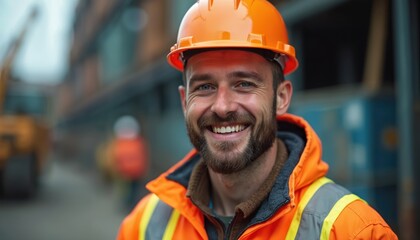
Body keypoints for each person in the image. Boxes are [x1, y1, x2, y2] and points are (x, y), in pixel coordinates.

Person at [117, 0, 398, 239]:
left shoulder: (352, 230)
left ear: (281, 97)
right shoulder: (143, 226)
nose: (223, 106)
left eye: (244, 84)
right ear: (183, 101)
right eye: (204, 87)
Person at [112, 115, 149, 211]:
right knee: (133, 190)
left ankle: (128, 205)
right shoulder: (138, 142)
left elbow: (117, 158)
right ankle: (131, 205)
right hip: (135, 171)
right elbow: (142, 156)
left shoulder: (120, 144)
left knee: (127, 190)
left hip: (126, 172)